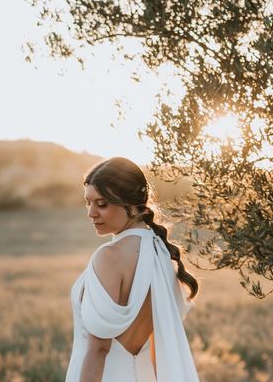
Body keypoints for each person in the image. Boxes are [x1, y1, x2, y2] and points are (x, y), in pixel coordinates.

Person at [65, 157, 200, 382]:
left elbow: (99, 350)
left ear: (130, 204)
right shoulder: (161, 252)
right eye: (88, 202)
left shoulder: (109, 257)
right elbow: (159, 342)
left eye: (102, 204)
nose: (91, 213)